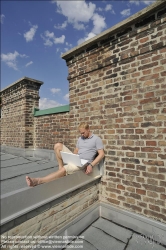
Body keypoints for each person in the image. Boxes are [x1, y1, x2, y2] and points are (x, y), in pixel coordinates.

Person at [26, 122, 104, 187]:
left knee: (64, 169)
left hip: (84, 163)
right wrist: (72, 157)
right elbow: (76, 150)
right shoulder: (81, 138)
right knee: (57, 146)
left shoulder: (96, 139)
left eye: (83, 133)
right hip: (77, 159)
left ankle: (38, 181)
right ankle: (60, 168)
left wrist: (91, 165)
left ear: (88, 129)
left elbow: (101, 154)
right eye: (81, 133)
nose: (82, 135)